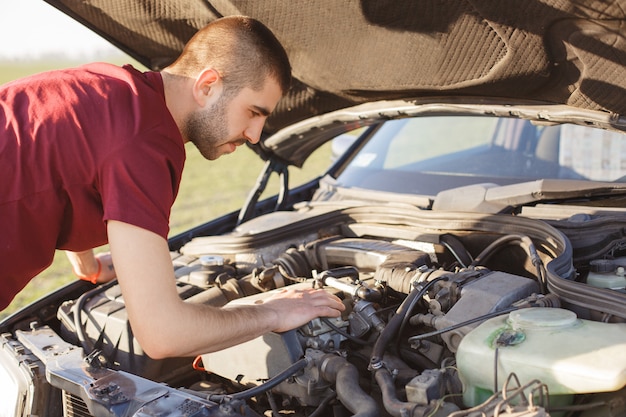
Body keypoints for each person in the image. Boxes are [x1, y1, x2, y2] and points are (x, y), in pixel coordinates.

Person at [0, 16, 345, 358]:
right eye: (253, 112)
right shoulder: (147, 141)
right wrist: (274, 313)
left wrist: (87, 265)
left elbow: (61, 166)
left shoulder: (111, 86)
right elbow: (162, 335)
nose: (255, 135)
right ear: (207, 85)